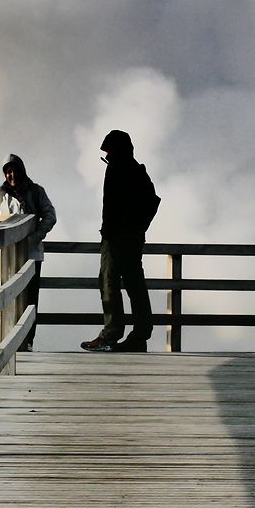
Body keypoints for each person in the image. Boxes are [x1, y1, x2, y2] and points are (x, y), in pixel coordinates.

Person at [81, 130, 160, 353]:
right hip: (129, 238)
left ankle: (112, 334)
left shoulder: (123, 169)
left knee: (109, 284)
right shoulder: (134, 170)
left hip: (117, 238)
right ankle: (138, 336)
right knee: (134, 285)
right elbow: (152, 202)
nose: (106, 153)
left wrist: (127, 228)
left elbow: (150, 202)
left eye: (109, 149)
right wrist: (137, 229)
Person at [0, 154, 57, 351]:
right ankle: (9, 341)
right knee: (8, 296)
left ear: (22, 170)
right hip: (7, 255)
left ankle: (27, 341)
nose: (12, 174)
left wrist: (35, 236)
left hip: (31, 254)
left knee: (30, 298)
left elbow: (50, 215)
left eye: (14, 170)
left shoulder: (36, 191)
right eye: (8, 171)